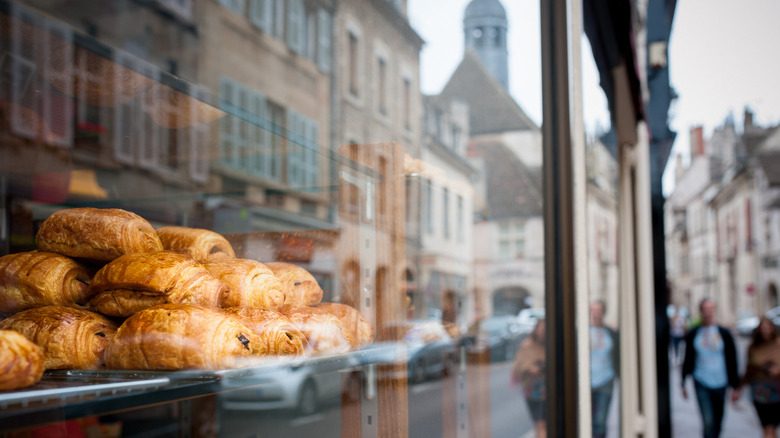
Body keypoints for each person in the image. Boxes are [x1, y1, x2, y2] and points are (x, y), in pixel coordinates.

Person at [681, 298, 739, 438]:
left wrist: (736, 386)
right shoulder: (694, 333)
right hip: (701, 380)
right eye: (705, 310)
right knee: (708, 421)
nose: (708, 313)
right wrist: (683, 382)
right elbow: (688, 358)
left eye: (711, 309)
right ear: (701, 312)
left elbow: (732, 359)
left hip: (721, 381)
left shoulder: (724, 333)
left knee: (718, 421)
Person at [731, 317, 780, 438]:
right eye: (763, 328)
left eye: (768, 327)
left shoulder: (778, 344)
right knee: (767, 427)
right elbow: (749, 371)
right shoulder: (753, 348)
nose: (766, 331)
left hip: (777, 390)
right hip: (760, 392)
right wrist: (739, 388)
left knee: (772, 428)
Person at [590, 300, 619, 438]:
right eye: (593, 310)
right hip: (586, 381)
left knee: (600, 420)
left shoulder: (610, 333)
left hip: (606, 379)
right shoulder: (582, 332)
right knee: (586, 419)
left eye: (598, 310)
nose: (596, 314)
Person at [513, 319, 546, 438]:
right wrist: (530, 367)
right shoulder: (527, 345)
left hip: (546, 390)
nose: (543, 332)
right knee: (538, 423)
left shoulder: (550, 345)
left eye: (545, 330)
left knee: (543, 423)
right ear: (536, 330)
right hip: (531, 389)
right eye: (541, 329)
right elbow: (519, 365)